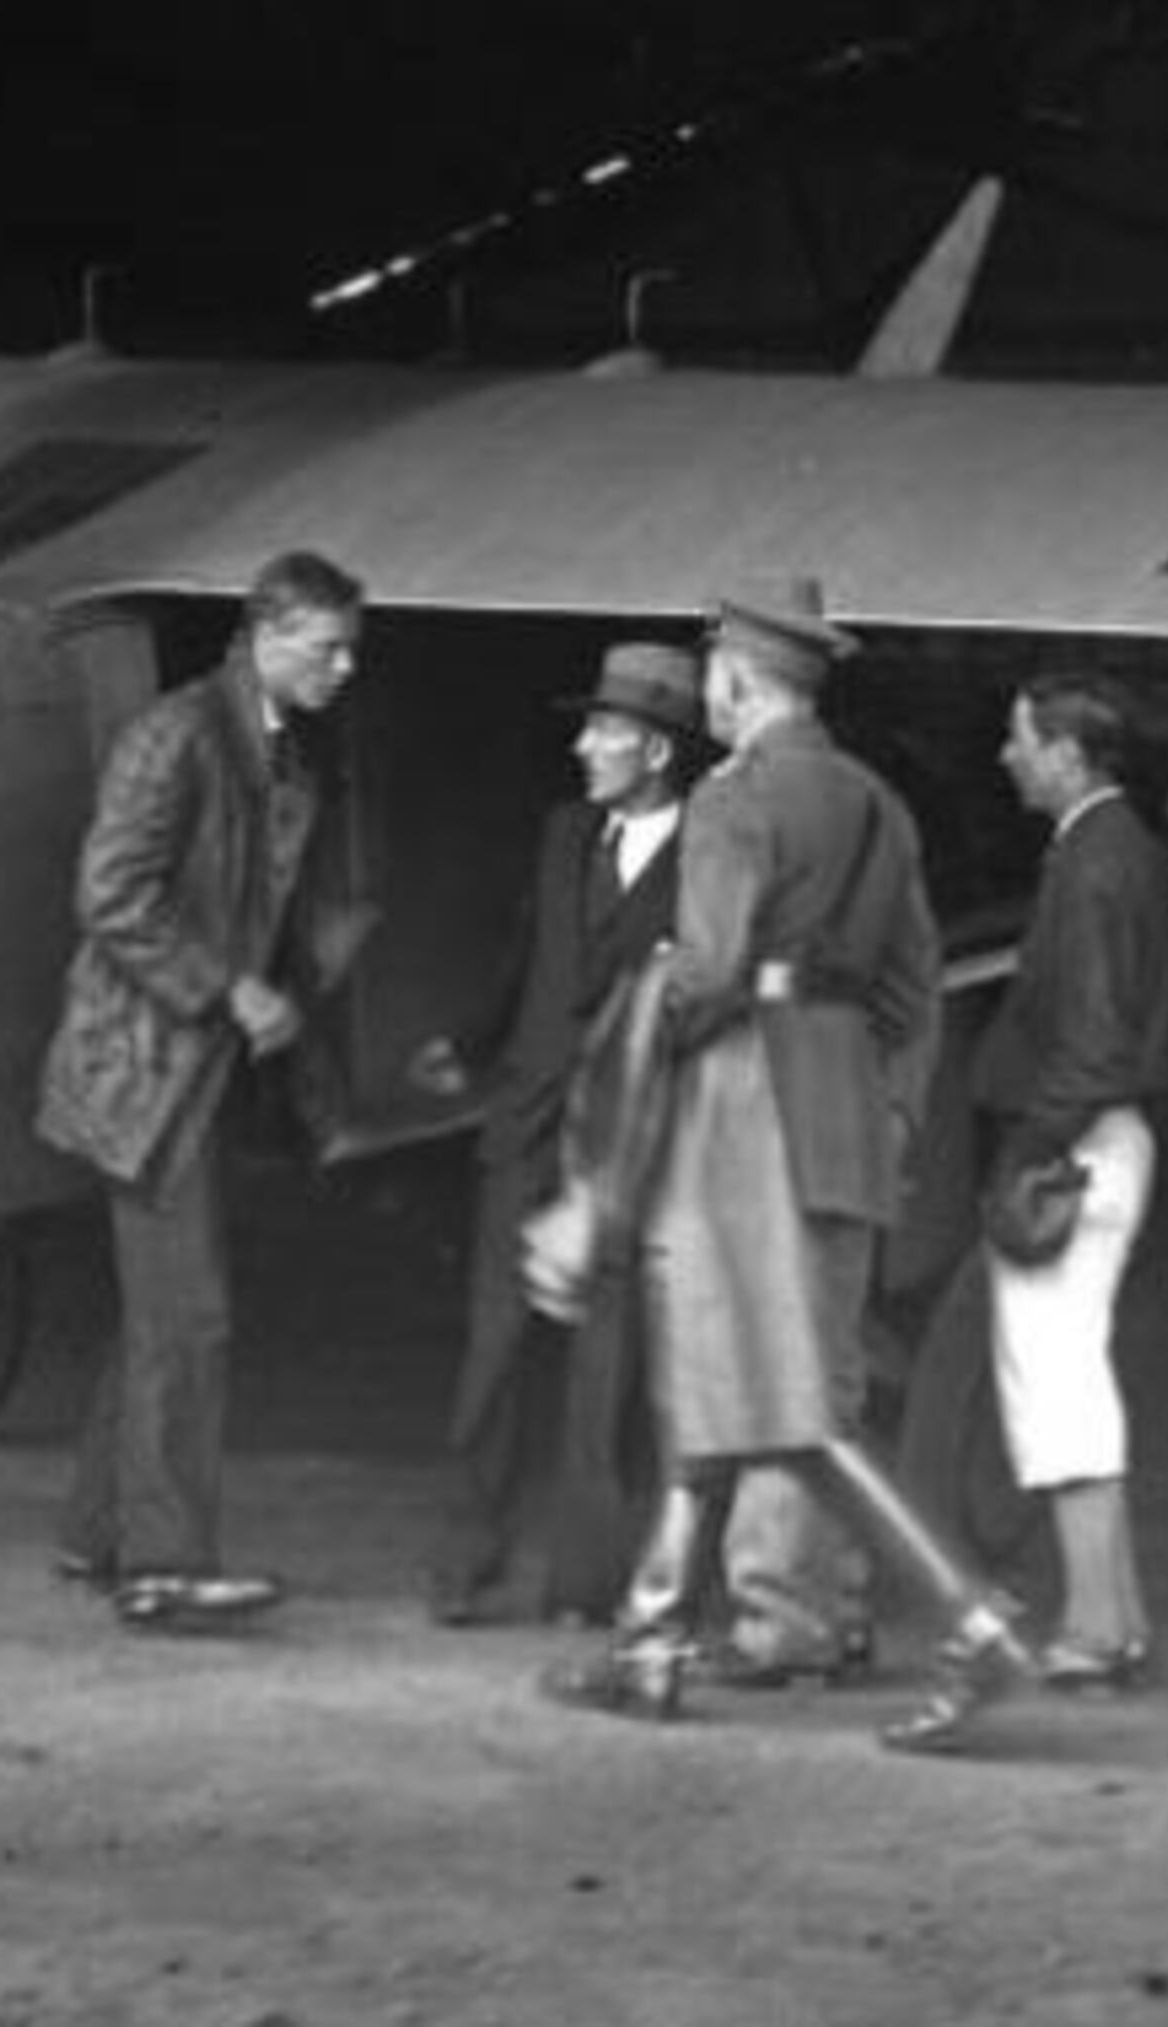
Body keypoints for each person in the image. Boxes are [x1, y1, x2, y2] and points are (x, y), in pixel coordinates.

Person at [543, 575, 1032, 1754]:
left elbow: (707, 973)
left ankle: (972, 1622)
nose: (707, 684)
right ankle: (652, 1640)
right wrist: (892, 1120)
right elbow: (916, 992)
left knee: (776, 1400)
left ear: (740, 680)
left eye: (713, 668)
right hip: (840, 1111)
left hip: (738, 1116)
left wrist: (628, 1074)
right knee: (733, 1388)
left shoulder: (732, 799)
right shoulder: (876, 804)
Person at [34, 550, 371, 1632]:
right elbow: (111, 896)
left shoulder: (269, 745)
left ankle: (98, 1533)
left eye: (348, 647)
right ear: (266, 634)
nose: (344, 666)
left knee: (161, 1315)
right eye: (326, 646)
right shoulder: (179, 736)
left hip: (178, 1070)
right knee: (190, 1316)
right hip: (146, 1071)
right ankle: (167, 1563)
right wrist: (232, 989)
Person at [414, 642, 702, 1628]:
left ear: (656, 749)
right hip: (529, 1120)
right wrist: (469, 1037)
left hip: (627, 1140)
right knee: (492, 1349)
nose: (583, 745)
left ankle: (589, 1581)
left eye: (605, 730)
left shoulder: (708, 854)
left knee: (606, 1371)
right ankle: (465, 1560)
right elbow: (528, 950)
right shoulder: (563, 831)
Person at [969, 670, 1168, 1691]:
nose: (1006, 756)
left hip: (1076, 1142)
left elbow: (1093, 1045)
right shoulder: (1113, 848)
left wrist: (1025, 1149)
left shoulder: (1093, 862)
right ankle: (1117, 1616)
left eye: (1018, 738)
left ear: (1065, 751)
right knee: (1068, 1371)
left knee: (1059, 1382)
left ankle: (1095, 1625)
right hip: (1100, 1136)